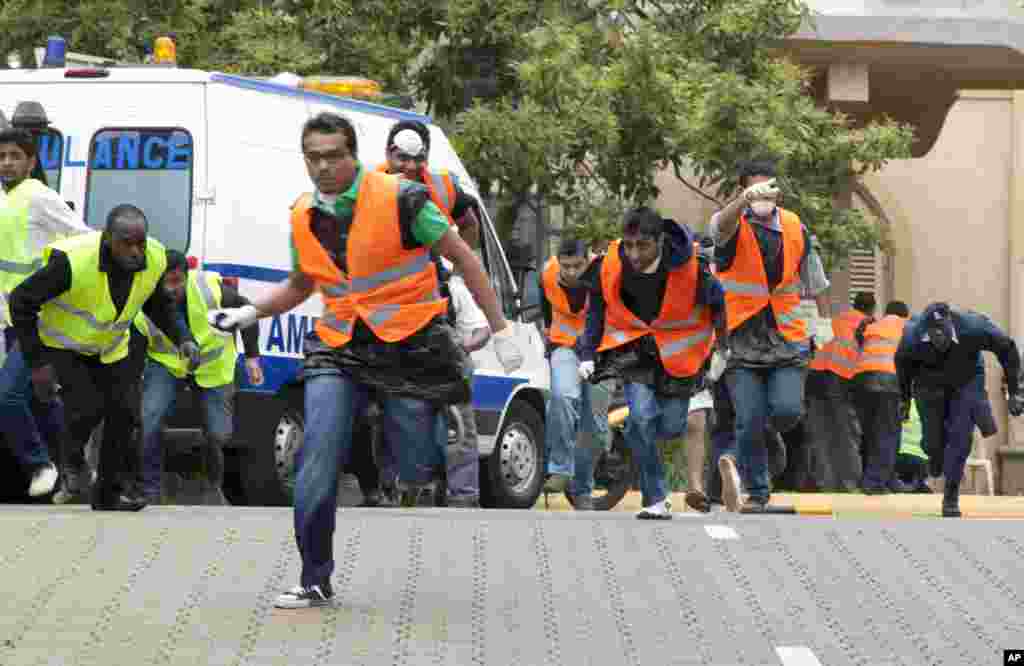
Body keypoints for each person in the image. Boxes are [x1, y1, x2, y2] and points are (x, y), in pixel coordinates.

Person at [207, 112, 522, 608]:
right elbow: (302, 283)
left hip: (408, 343)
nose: (324, 166)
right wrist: (249, 310)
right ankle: (314, 575)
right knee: (317, 456)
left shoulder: (404, 200)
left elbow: (463, 256)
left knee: (417, 465)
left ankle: (426, 446)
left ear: (354, 156)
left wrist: (500, 328)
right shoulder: (302, 215)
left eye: (334, 156)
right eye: (314, 157)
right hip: (339, 345)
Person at [9, 204, 198, 510]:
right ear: (108, 239)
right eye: (127, 242)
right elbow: (21, 301)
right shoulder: (73, 262)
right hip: (62, 344)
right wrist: (38, 364)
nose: (137, 251)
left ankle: (108, 495)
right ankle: (72, 462)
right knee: (86, 407)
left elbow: (158, 304)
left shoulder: (154, 258)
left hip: (109, 347)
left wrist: (184, 339)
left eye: (141, 241)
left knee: (125, 414)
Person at [578, 207, 723, 520]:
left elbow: (718, 304)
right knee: (642, 417)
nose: (633, 253)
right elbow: (596, 311)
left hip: (678, 358)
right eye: (628, 245)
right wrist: (587, 353)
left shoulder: (690, 267)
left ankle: (636, 435)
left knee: (670, 427)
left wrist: (722, 350)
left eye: (642, 245)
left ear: (659, 242)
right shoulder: (612, 264)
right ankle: (655, 498)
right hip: (635, 356)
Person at [709, 159, 832, 512]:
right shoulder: (732, 224)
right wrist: (743, 200)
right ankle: (758, 493)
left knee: (786, 410)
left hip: (787, 338)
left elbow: (816, 281)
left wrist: (822, 326)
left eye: (768, 188)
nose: (763, 196)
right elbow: (719, 226)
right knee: (747, 419)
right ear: (743, 192)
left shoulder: (795, 226)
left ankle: (765, 440)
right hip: (741, 341)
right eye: (754, 189)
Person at [132, 250, 264, 505]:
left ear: (186, 276)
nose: (172, 288)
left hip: (213, 368)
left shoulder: (211, 291)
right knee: (150, 418)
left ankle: (213, 488)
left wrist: (252, 357)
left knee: (218, 434)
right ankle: (150, 490)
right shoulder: (145, 301)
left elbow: (248, 312)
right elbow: (136, 344)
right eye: (166, 282)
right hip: (167, 365)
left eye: (177, 281)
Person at [0, 128, 90, 498]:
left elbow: (84, 238)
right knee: (43, 401)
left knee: (6, 397)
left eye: (15, 156)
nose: (7, 163)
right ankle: (76, 469)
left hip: (38, 319)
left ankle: (41, 464)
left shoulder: (39, 197)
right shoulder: (5, 198)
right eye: (2, 156)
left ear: (31, 161)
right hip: (10, 319)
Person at [895, 302, 1022, 517]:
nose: (939, 339)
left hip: (967, 378)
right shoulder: (912, 336)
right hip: (929, 383)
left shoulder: (973, 326)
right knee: (933, 442)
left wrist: (1014, 391)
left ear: (950, 324)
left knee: (961, 435)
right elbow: (903, 367)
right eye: (932, 335)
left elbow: (1007, 348)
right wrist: (905, 401)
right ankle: (934, 453)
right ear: (925, 332)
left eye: (942, 332)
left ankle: (951, 496)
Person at [538, 236, 610, 511]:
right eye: (565, 266)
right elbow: (547, 312)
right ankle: (560, 468)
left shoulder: (604, 274)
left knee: (595, 426)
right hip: (564, 346)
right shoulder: (546, 274)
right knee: (562, 397)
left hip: (602, 352)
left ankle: (581, 489)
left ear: (588, 259)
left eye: (577, 265)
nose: (570, 272)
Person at [805, 292, 875, 491]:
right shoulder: (869, 324)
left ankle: (824, 484)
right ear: (872, 308)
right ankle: (849, 485)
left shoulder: (838, 318)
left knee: (820, 432)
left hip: (815, 376)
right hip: (840, 378)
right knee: (846, 433)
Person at [852, 299, 909, 494]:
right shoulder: (906, 327)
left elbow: (859, 340)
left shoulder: (873, 325)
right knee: (887, 433)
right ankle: (874, 483)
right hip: (888, 383)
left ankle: (887, 479)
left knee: (871, 433)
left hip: (862, 382)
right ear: (904, 315)